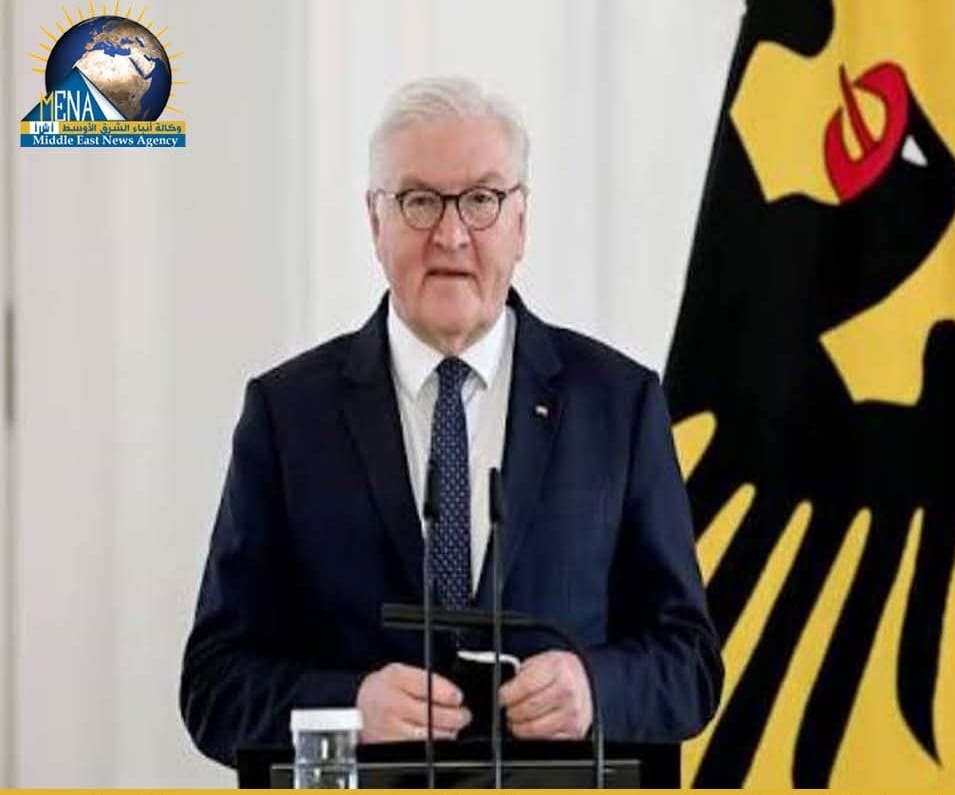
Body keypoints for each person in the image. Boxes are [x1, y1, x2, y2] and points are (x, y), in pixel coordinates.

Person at [180, 76, 721, 768]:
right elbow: (214, 683)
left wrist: (595, 690)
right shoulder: (287, 416)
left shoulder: (619, 404)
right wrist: (349, 709)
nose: (452, 234)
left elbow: (690, 663)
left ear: (521, 221)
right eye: (419, 200)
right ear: (375, 221)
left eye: (481, 199)